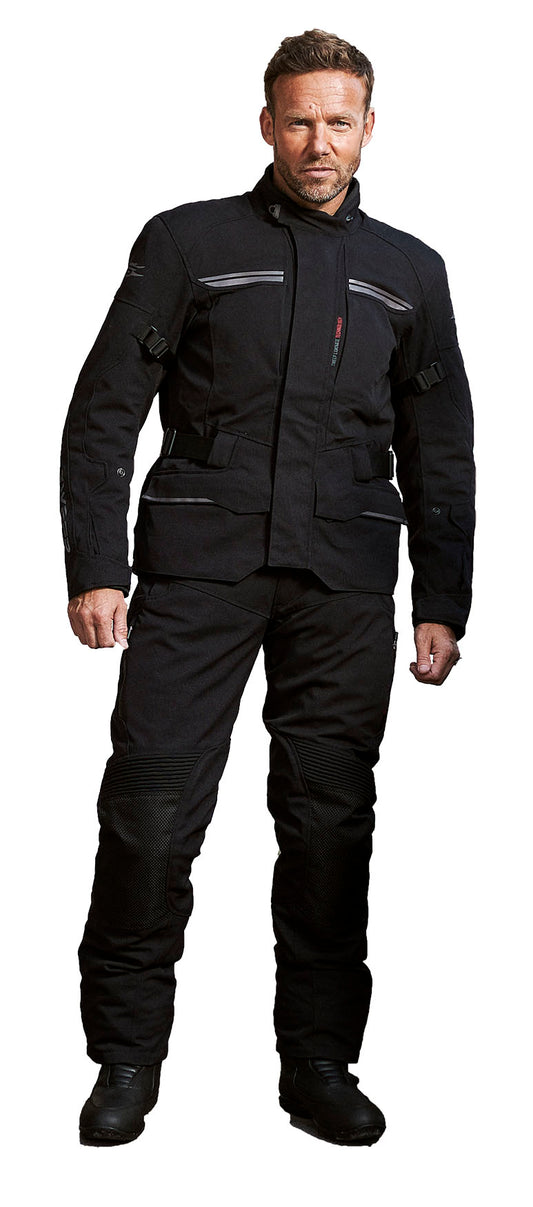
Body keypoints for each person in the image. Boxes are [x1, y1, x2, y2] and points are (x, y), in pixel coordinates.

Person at [60, 28, 475, 1148]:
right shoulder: (188, 243)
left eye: (338, 121)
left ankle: (319, 1066)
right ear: (265, 124)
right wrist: (97, 565)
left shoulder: (409, 271)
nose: (317, 142)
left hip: (344, 580)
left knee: (331, 822)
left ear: (369, 128)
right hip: (198, 570)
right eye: (298, 120)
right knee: (151, 812)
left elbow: (440, 444)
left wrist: (441, 598)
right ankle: (126, 1056)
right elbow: (105, 408)